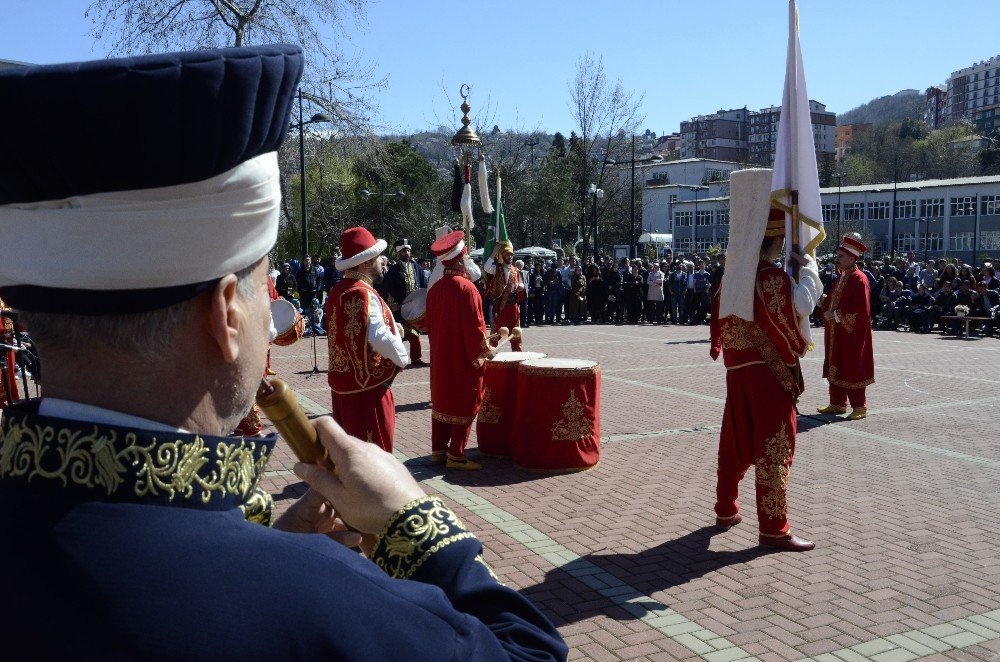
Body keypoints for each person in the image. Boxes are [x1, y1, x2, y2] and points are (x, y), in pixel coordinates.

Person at [0, 45, 566, 660]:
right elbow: (529, 651)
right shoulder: (320, 600)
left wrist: (270, 539)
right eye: (259, 286)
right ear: (225, 316)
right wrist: (416, 522)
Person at [708, 169, 820, 552]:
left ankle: (726, 508)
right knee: (774, 449)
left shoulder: (730, 278)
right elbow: (800, 309)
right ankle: (774, 528)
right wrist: (809, 269)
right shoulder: (770, 278)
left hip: (738, 371)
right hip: (769, 376)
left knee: (734, 442)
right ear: (773, 241)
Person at [325, 227, 409, 452]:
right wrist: (402, 357)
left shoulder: (338, 290)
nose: (383, 262)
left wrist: (393, 325)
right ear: (364, 263)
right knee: (374, 452)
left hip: (344, 384)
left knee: (350, 451)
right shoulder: (360, 292)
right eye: (377, 258)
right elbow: (376, 335)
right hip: (367, 387)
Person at [426, 230, 495, 469]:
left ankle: (438, 450)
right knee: (464, 400)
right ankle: (456, 454)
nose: (470, 261)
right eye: (468, 257)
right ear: (460, 258)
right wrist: (485, 350)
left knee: (442, 401)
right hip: (462, 358)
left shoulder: (435, 289)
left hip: (440, 357)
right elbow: (474, 327)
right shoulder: (467, 288)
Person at [818, 234, 875, 420]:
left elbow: (860, 310)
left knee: (852, 366)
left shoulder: (860, 279)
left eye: (841, 256)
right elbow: (836, 301)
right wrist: (824, 301)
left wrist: (834, 314)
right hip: (838, 332)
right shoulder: (842, 277)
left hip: (852, 335)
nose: (837, 259)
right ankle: (837, 403)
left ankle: (859, 406)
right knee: (836, 364)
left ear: (852, 258)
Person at [382, 238, 429, 366]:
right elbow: (386, 289)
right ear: (399, 253)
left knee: (414, 335)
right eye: (403, 251)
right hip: (399, 308)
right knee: (398, 335)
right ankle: (393, 359)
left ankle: (416, 359)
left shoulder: (416, 268)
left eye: (408, 250)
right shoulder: (393, 271)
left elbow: (424, 285)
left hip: (415, 309)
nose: (406, 253)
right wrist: (391, 305)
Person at [484, 241, 525, 350]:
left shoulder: (516, 270)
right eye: (507, 254)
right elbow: (486, 267)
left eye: (511, 255)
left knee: (515, 331)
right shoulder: (496, 268)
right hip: (500, 306)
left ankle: (517, 352)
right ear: (502, 256)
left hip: (513, 305)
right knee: (497, 331)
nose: (510, 257)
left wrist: (520, 286)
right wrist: (494, 252)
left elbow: (521, 282)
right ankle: (491, 352)